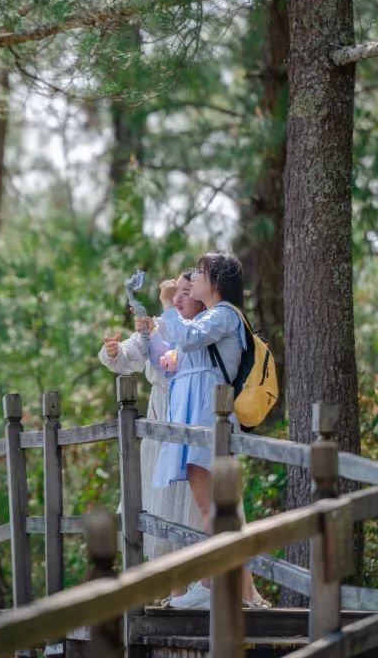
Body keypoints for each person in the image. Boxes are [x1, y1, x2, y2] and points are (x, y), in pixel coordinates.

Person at [142, 252, 269, 610]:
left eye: (200, 273)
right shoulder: (212, 316)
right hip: (192, 411)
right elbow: (174, 340)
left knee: (212, 505)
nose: (194, 277)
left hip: (206, 411)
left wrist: (168, 301)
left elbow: (189, 337)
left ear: (216, 282)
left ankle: (212, 585)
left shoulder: (226, 315)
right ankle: (217, 585)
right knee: (206, 504)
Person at [99, 272, 205, 602]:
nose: (178, 297)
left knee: (189, 504)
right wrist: (114, 351)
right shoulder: (156, 323)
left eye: (186, 291)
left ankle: (193, 589)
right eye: (176, 291)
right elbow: (130, 356)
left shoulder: (199, 328)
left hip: (191, 417)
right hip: (160, 421)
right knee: (160, 506)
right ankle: (172, 590)